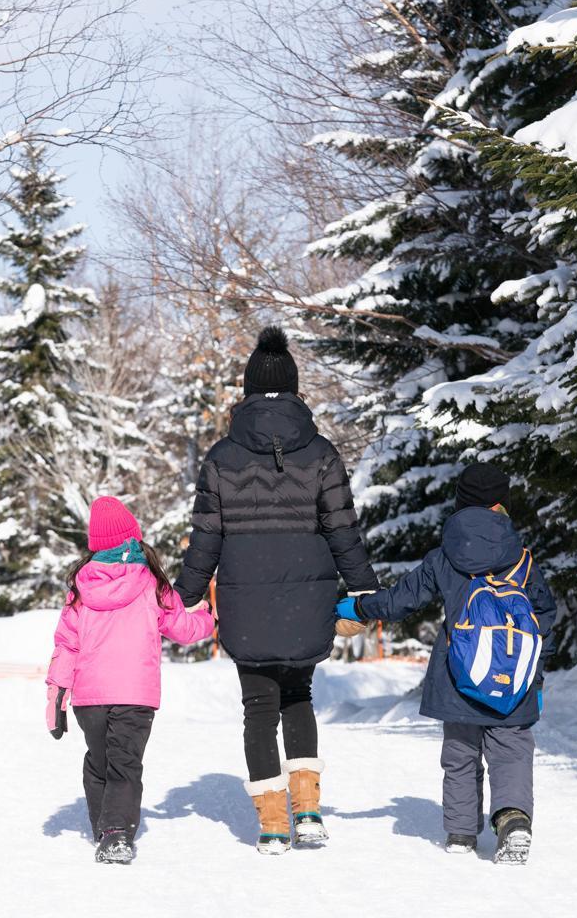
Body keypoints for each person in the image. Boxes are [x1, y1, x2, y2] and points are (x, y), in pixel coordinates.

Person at [174, 326, 380, 854]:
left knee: (258, 709)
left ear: (247, 391)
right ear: (294, 389)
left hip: (246, 600)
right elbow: (342, 529)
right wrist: (365, 590)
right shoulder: (322, 453)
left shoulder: (221, 456)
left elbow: (207, 534)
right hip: (306, 599)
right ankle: (307, 811)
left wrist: (185, 593)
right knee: (299, 696)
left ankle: (272, 824)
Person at [334, 462, 557, 864]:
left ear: (460, 505)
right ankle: (513, 819)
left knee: (460, 752)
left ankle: (460, 833)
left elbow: (402, 600)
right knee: (511, 751)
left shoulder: (445, 557)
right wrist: (535, 681)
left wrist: (360, 606)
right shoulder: (522, 559)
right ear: (502, 505)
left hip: (460, 674)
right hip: (514, 680)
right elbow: (544, 620)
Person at [45, 495, 215, 865]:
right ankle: (115, 833)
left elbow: (66, 645)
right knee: (125, 763)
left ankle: (105, 828)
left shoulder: (81, 589)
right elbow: (182, 628)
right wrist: (210, 618)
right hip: (136, 696)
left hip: (89, 699)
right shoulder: (151, 583)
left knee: (99, 762)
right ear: (132, 538)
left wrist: (56, 694)